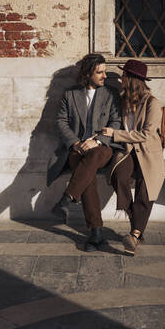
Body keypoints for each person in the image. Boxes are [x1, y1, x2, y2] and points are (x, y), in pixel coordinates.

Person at [47, 53, 121, 251]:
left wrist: (96, 140)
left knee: (93, 157)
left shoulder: (110, 94)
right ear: (88, 73)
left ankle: (68, 197)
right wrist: (75, 142)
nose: (105, 76)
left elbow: (116, 122)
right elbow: (60, 121)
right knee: (86, 174)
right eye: (100, 72)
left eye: (105, 71)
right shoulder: (70, 94)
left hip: (103, 148)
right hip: (77, 149)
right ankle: (96, 233)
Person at [102, 59, 165, 255]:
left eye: (124, 76)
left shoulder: (153, 103)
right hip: (128, 151)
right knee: (118, 176)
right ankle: (136, 223)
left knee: (144, 194)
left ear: (132, 79)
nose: (121, 79)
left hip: (149, 154)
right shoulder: (123, 101)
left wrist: (115, 134)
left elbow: (147, 135)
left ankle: (135, 235)